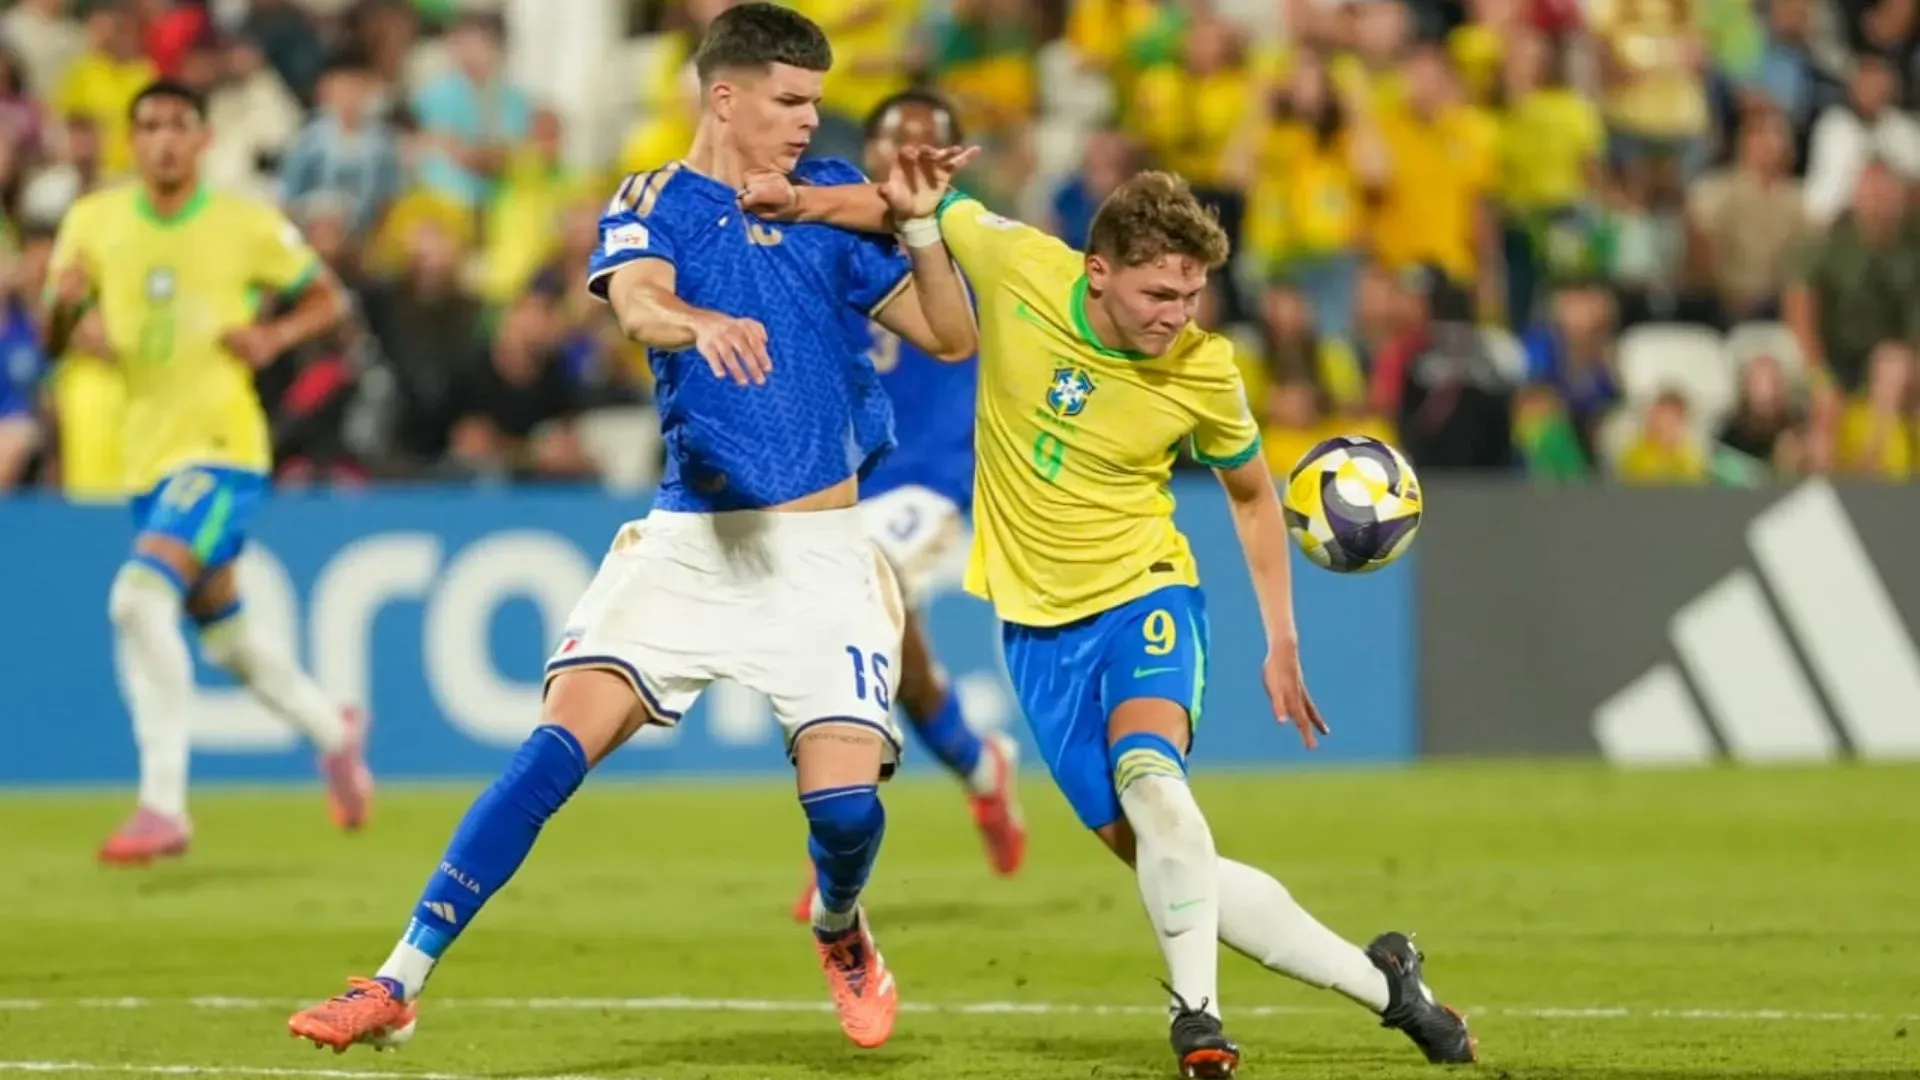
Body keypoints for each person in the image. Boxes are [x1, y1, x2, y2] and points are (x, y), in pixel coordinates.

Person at [285, 2, 977, 1055]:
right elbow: (641, 303)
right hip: (693, 544)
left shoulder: (832, 199)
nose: (807, 122)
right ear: (726, 96)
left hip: (824, 558)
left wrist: (920, 226)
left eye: (816, 103)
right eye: (789, 101)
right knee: (551, 752)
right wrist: (701, 323)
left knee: (843, 817)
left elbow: (949, 330)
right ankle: (396, 979)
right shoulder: (654, 198)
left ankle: (840, 928)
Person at [742, 165, 1476, 1077]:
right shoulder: (1018, 268)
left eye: (1193, 293)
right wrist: (798, 201)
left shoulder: (1205, 371)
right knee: (1171, 866)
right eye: (1159, 292)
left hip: (1146, 593)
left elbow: (1252, 496)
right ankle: (1392, 987)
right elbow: (913, 206)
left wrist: (1281, 638)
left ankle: (1198, 1020)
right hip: (1039, 638)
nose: (1179, 313)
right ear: (1097, 272)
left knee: (1153, 782)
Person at [43, 80, 369, 866]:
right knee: (225, 641)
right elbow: (56, 333)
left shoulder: (244, 224)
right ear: (133, 141)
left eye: (176, 126)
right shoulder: (93, 222)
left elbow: (330, 301)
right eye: (147, 126)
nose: (161, 140)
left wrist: (273, 337)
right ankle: (335, 735)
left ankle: (163, 806)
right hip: (145, 457)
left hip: (223, 448)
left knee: (136, 599)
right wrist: (64, 309)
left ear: (201, 139)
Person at [789, 87, 1024, 924]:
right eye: (894, 144)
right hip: (837, 483)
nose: (908, 159)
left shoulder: (972, 243)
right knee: (902, 664)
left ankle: (837, 854)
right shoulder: (828, 239)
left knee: (861, 600)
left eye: (929, 145)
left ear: (958, 160)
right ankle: (978, 763)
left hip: (930, 481)